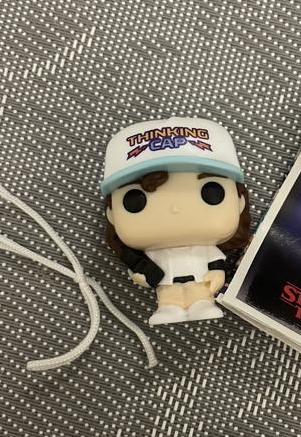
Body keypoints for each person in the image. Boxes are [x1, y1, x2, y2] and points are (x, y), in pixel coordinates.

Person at [102, 117, 251, 325]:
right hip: (167, 288)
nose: (175, 208)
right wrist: (141, 275)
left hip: (199, 286)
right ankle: (169, 309)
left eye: (210, 192)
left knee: (201, 299)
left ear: (239, 201)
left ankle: (202, 304)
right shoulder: (149, 254)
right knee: (168, 301)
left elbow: (216, 263)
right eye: (136, 201)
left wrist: (217, 273)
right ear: (111, 214)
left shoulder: (206, 248)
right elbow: (144, 271)